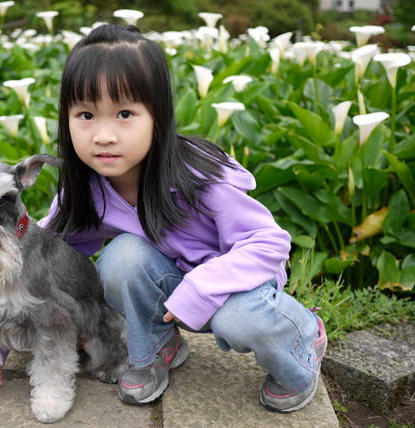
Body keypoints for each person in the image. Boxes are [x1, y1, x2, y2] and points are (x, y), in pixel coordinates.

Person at [33, 23, 326, 412]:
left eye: (124, 113)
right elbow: (39, 256)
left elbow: (270, 243)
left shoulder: (199, 177)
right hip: (173, 289)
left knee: (236, 319)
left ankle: (302, 343)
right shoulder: (86, 188)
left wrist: (202, 289)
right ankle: (157, 346)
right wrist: (2, 336)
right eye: (85, 114)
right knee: (120, 259)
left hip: (237, 285)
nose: (103, 135)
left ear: (159, 115)